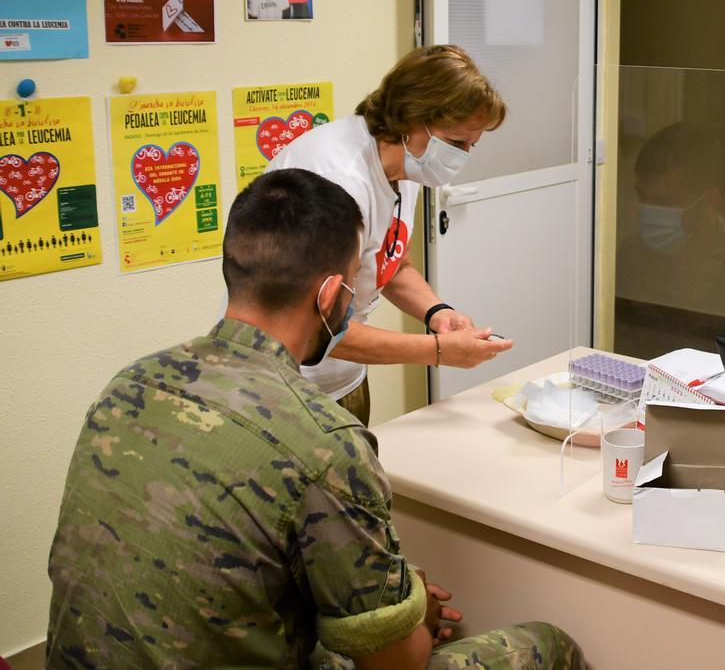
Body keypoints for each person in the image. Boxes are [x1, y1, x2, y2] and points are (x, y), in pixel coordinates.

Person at [46, 169, 582, 669]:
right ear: (330, 296)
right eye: (353, 285)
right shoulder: (324, 442)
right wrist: (410, 609)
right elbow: (396, 662)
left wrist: (386, 598)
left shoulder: (131, 383)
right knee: (546, 644)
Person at [265, 45, 514, 424]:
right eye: (457, 143)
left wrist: (438, 313)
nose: (463, 157)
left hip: (343, 379)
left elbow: (393, 265)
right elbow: (313, 327)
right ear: (410, 119)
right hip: (281, 388)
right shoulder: (336, 179)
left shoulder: (406, 165)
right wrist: (438, 351)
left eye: (472, 146)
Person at [615, 122, 725, 358]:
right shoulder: (632, 255)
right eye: (642, 196)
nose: (649, 211)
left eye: (664, 201)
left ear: (710, 200)